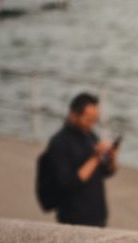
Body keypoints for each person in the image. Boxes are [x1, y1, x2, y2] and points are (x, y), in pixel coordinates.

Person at [46, 92, 117, 227]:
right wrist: (95, 158)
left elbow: (105, 172)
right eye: (89, 119)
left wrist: (112, 158)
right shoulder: (59, 143)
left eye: (95, 120)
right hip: (74, 218)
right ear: (73, 114)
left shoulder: (90, 136)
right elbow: (67, 183)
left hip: (97, 216)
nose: (92, 124)